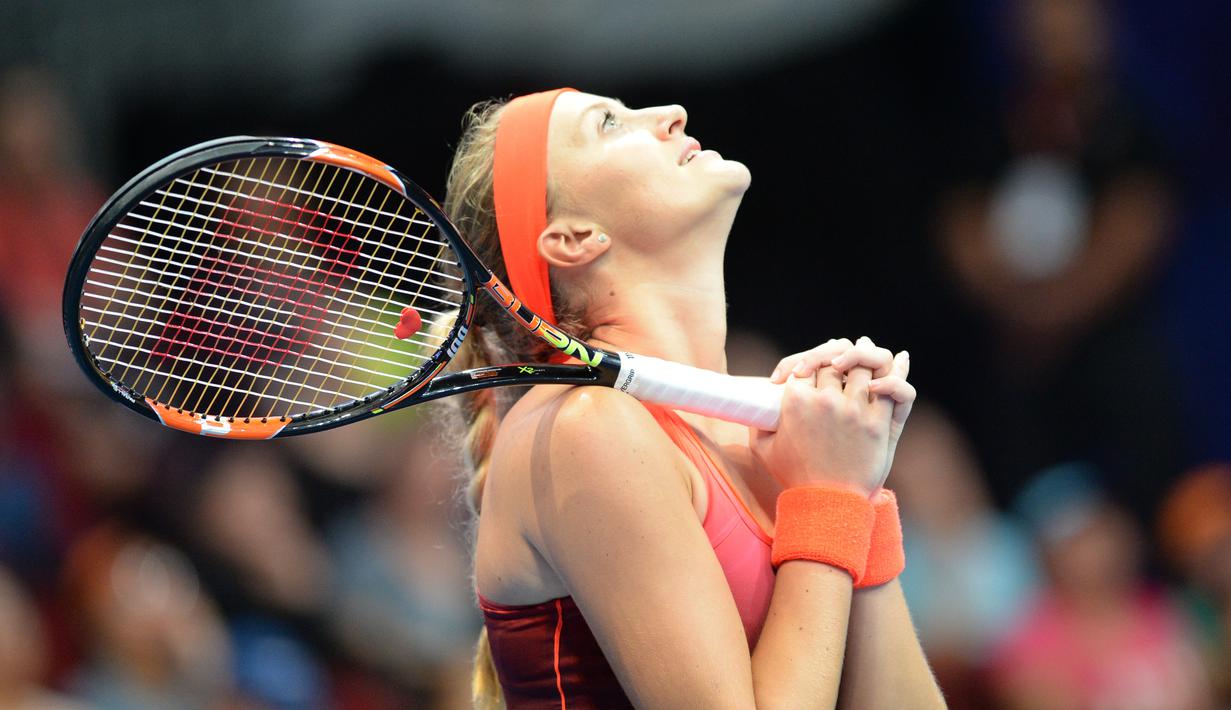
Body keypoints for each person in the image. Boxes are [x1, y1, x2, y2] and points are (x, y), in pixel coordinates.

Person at [442, 88, 944, 708]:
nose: (670, 114)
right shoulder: (584, 428)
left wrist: (856, 485)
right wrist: (831, 494)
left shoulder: (777, 444)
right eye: (608, 123)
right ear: (573, 238)